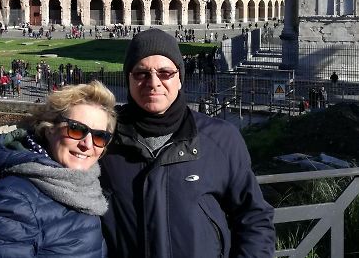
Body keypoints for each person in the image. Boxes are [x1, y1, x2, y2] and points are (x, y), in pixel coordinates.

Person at [100, 29, 275, 258]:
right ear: (129, 79)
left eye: (165, 73)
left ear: (180, 78)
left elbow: (254, 219)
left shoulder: (221, 139)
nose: (153, 83)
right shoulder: (101, 140)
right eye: (141, 73)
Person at [0, 80, 117, 257]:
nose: (87, 144)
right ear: (49, 129)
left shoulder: (84, 186)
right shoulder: (12, 201)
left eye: (100, 136)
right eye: (75, 129)